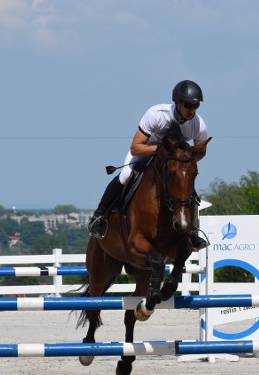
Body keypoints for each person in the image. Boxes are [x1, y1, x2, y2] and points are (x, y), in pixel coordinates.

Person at [87, 80, 209, 250]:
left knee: (185, 187)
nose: (192, 111)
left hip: (172, 163)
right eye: (189, 105)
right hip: (145, 152)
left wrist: (186, 161)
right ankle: (99, 217)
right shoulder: (157, 114)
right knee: (125, 175)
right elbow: (135, 147)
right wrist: (159, 150)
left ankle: (191, 231)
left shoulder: (198, 124)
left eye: (196, 106)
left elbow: (202, 151)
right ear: (177, 102)